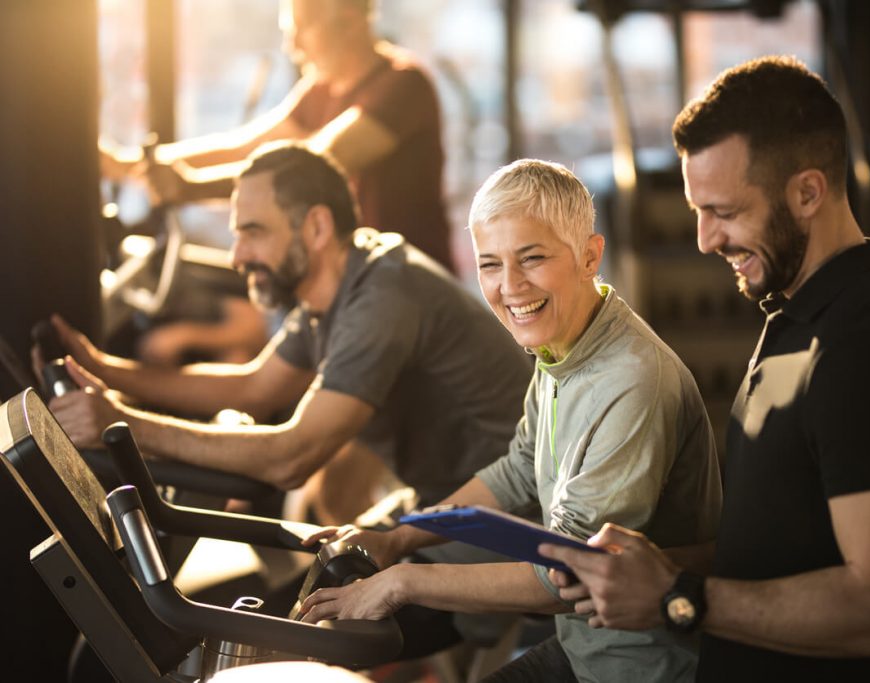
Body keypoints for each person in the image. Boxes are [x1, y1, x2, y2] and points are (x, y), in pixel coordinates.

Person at [540, 56, 870, 683]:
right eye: (697, 211)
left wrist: (678, 596)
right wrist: (649, 568)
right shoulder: (793, 316)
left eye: (726, 212)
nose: (706, 239)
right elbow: (778, 551)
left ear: (808, 193)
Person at [296, 159, 723, 683]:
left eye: (532, 258)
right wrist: (399, 537)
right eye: (490, 264)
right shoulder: (563, 344)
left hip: (640, 671)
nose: (510, 286)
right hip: (585, 652)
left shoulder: (632, 380)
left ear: (590, 256)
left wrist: (403, 583)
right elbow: (519, 469)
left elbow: (567, 574)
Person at [43, 144, 531, 527]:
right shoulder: (335, 288)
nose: (237, 256)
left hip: (514, 525)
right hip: (451, 503)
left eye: (253, 232)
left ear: (316, 227)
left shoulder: (382, 296)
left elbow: (290, 458)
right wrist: (104, 370)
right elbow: (254, 386)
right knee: (320, 575)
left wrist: (120, 425)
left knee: (320, 608)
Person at [103, 0, 452, 271]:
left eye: (302, 28)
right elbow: (244, 147)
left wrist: (191, 186)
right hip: (366, 279)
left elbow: (316, 164)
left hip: (412, 282)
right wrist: (125, 165)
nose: (292, 45)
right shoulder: (320, 88)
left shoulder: (404, 84)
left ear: (348, 21)